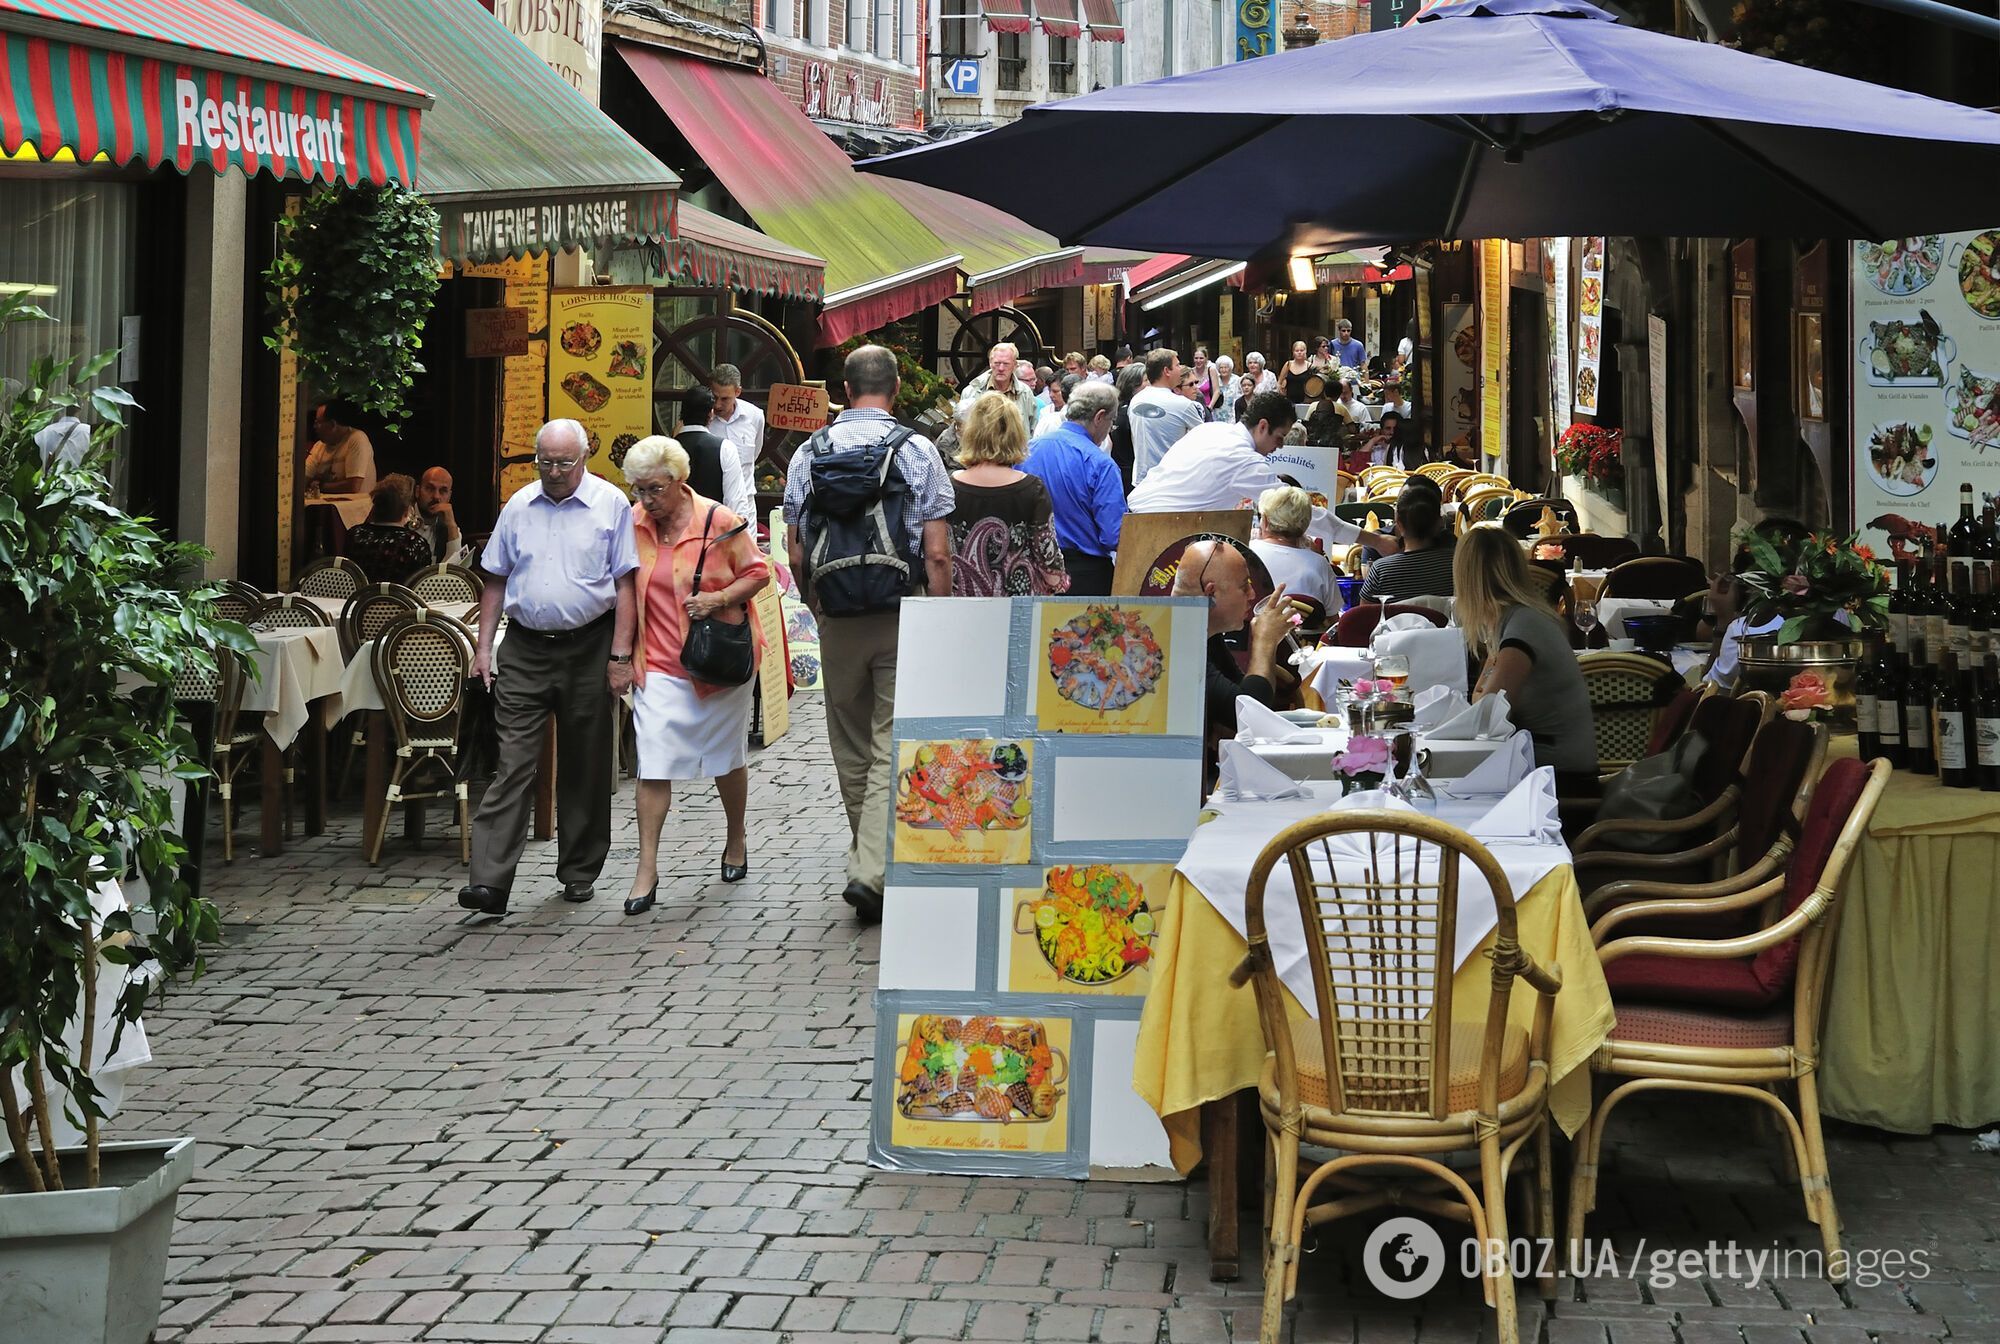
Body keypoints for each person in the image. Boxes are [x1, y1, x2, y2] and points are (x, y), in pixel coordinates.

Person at [784, 345, 954, 924]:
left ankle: (868, 856)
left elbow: (796, 550)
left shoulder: (809, 451)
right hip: (901, 610)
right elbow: (936, 551)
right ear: (897, 386)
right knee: (890, 738)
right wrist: (940, 612)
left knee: (851, 740)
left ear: (846, 389)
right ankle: (871, 868)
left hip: (837, 616)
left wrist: (818, 608)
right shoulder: (919, 450)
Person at [458, 419, 639, 918]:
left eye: (564, 462)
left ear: (584, 458)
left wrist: (621, 656)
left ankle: (579, 871)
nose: (555, 472)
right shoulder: (519, 505)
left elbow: (626, 586)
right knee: (513, 761)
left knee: (585, 762)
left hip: (590, 646)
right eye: (545, 462)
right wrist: (482, 648)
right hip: (524, 648)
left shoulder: (611, 504)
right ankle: (489, 882)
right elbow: (495, 579)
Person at [620, 436, 771, 916]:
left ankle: (736, 837)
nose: (646, 500)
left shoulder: (718, 520)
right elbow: (624, 586)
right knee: (654, 760)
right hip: (659, 663)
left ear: (679, 481)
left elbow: (758, 572)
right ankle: (647, 867)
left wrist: (719, 599)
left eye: (655, 490)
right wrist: (621, 654)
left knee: (726, 757)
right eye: (639, 489)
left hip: (716, 662)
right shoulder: (634, 522)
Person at [1453, 524, 1599, 792]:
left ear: (1467, 580)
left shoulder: (1524, 626)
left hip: (1559, 779)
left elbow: (1488, 712)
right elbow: (1482, 701)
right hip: (1539, 764)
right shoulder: (1512, 620)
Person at [1171, 538, 1295, 742]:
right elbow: (1251, 718)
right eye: (1244, 586)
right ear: (1211, 593)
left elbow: (1243, 697)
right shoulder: (1180, 647)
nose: (1252, 594)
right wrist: (1264, 643)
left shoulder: (1201, 632)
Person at [947, 392, 1068, 597]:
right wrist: (1059, 583)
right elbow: (1046, 554)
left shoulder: (950, 486)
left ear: (971, 433)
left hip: (964, 604)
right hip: (1018, 605)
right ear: (1015, 434)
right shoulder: (1032, 488)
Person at [1023, 380, 1125, 596]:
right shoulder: (1100, 463)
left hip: (1033, 566)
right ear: (1099, 417)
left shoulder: (1028, 451)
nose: (1110, 428)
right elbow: (1112, 535)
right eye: (1111, 421)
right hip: (1085, 574)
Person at [1128, 390, 1298, 516]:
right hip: (1157, 525)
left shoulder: (1211, 428)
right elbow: (1288, 508)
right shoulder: (1243, 458)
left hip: (1136, 513)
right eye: (1280, 437)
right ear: (1263, 426)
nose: (1281, 445)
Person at [1358, 482, 1456, 602]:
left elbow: (1364, 617)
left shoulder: (1381, 571)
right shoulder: (1456, 565)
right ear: (1440, 523)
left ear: (1399, 524)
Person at [1251, 486, 1338, 612]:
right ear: (1306, 524)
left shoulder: (1246, 552)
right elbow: (1333, 619)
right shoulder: (1319, 563)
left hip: (1253, 629)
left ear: (1265, 521)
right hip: (1306, 629)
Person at [1128, 348, 1205, 485]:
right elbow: (1203, 441)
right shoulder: (1183, 405)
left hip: (1141, 481)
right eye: (1177, 365)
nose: (1180, 369)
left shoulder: (1135, 401)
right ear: (1166, 371)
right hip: (1172, 482)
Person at [679, 384, 754, 522]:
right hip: (714, 535)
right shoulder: (725, 448)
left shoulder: (666, 449)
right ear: (711, 414)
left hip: (677, 537)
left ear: (682, 413)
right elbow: (736, 503)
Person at [346, 477, 435, 584]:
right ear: (407, 511)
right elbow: (423, 585)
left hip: (359, 600)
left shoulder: (355, 535)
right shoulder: (414, 543)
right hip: (399, 600)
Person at [956, 341, 1040, 435]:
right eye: (997, 363)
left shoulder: (1025, 393)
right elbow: (961, 429)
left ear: (1015, 366)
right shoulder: (971, 392)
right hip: (981, 449)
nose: (1001, 368)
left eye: (1006, 364)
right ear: (990, 363)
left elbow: (1034, 429)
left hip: (1015, 449)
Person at [303, 399, 376, 496]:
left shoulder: (357, 439)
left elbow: (353, 486)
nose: (315, 426)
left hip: (354, 508)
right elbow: (303, 478)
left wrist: (319, 486)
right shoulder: (319, 446)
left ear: (333, 424)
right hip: (326, 508)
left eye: (318, 422)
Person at [707, 364, 767, 479]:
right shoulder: (702, 417)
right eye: (714, 397)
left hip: (745, 495)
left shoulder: (755, 416)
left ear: (738, 392)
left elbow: (755, 453)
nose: (717, 404)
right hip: (711, 495)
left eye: (725, 399)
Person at [1108, 361, 1148, 494]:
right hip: (1129, 476)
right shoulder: (1129, 412)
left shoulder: (1118, 409)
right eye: (1146, 380)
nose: (1150, 385)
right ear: (1133, 385)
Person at [417, 467, 462, 564]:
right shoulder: (401, 518)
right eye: (429, 489)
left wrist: (451, 525)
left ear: (449, 496)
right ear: (417, 491)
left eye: (443, 491)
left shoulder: (451, 529)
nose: (436, 496)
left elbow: (454, 570)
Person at [1034, 372, 1075, 439]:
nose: (1051, 395)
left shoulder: (1075, 413)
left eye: (1055, 391)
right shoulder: (1045, 411)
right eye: (1049, 391)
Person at [1209, 355, 1237, 421]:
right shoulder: (1215, 380)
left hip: (1232, 415)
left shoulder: (1237, 380)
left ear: (1230, 368)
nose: (1223, 370)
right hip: (1216, 415)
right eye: (1221, 368)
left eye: (1226, 367)